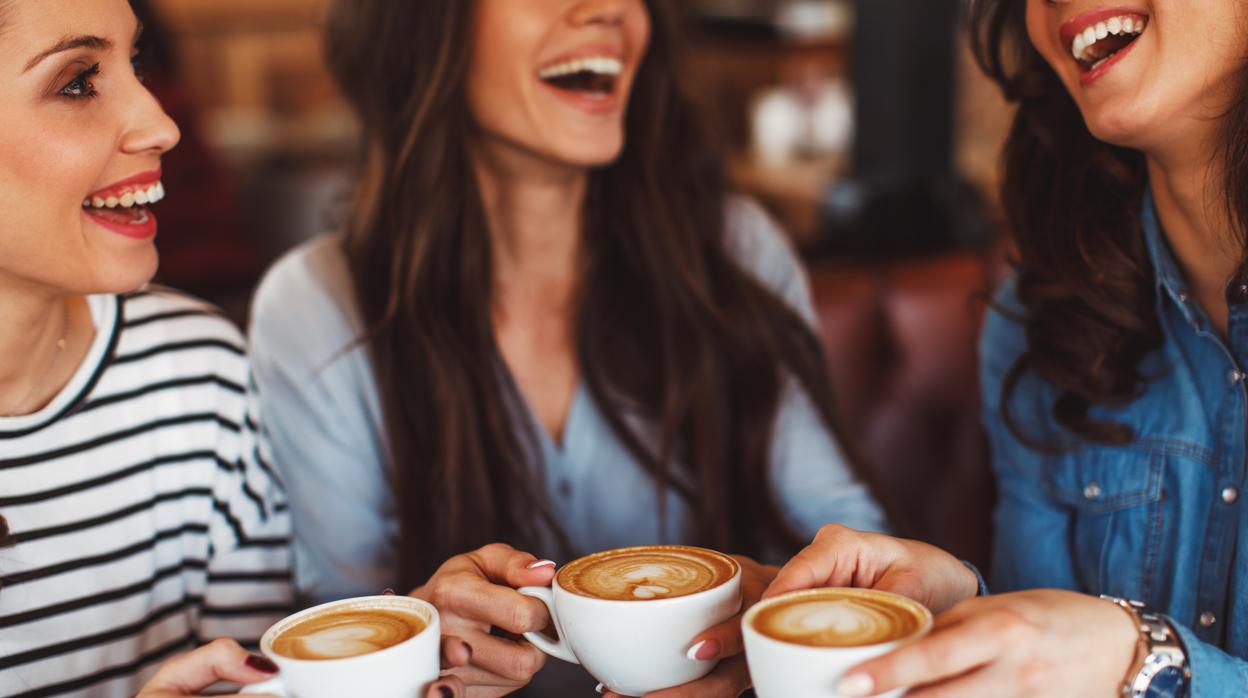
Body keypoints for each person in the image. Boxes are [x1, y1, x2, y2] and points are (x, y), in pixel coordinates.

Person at [248, 0, 887, 694]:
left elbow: (860, 555)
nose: (611, 9)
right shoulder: (314, 309)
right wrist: (424, 637)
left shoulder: (735, 254)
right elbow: (340, 637)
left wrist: (766, 634)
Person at [738, 0, 1248, 696]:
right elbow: (1051, 644)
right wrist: (960, 607)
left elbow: (1100, 655)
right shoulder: (1042, 318)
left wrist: (1146, 662)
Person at [0, 0, 294, 694]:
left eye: (134, 63)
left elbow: (252, 679)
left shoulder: (198, 376)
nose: (162, 123)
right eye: (77, 82)